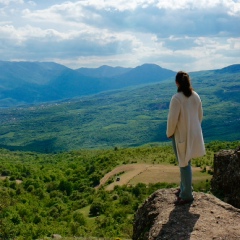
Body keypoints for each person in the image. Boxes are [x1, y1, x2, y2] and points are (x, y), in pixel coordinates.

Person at [166, 71, 206, 205]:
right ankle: (184, 188)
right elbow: (200, 116)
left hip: (181, 135)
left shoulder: (177, 98)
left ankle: (187, 195)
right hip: (194, 133)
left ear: (177, 83)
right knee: (187, 161)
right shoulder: (196, 96)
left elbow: (172, 120)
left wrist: (169, 133)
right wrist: (194, 128)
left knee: (183, 163)